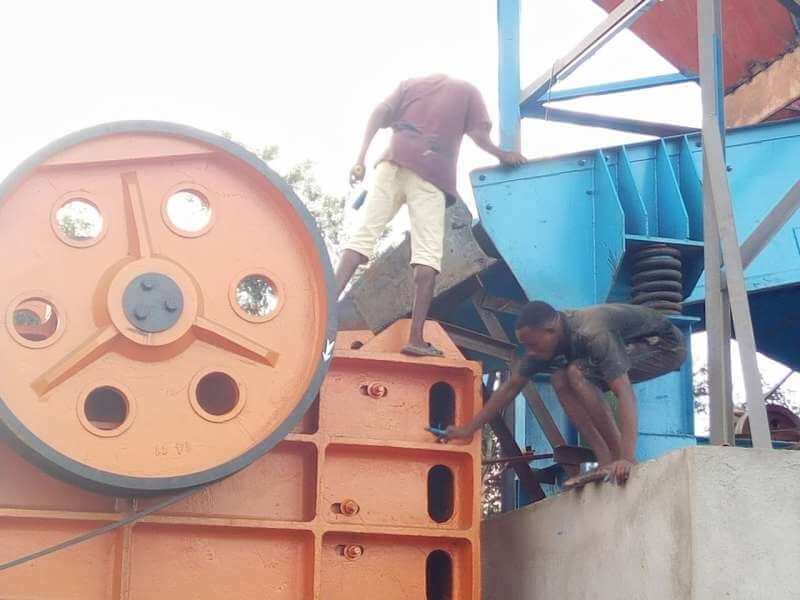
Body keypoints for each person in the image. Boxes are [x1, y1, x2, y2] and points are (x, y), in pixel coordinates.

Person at [336, 74, 527, 357]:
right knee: (427, 257)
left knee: (363, 236)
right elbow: (478, 136)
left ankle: (324, 306)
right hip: (431, 171)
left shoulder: (411, 84)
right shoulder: (468, 91)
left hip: (391, 161)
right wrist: (503, 154)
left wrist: (361, 157)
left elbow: (379, 111)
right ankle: (415, 339)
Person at [441, 301, 687, 485]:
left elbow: (624, 393)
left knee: (577, 373)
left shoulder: (591, 332)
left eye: (533, 345)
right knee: (560, 377)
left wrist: (626, 455)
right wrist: (468, 429)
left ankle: (616, 458)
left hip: (664, 346)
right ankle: (603, 457)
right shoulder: (544, 347)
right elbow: (508, 390)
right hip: (628, 346)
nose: (531, 352)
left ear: (552, 329)